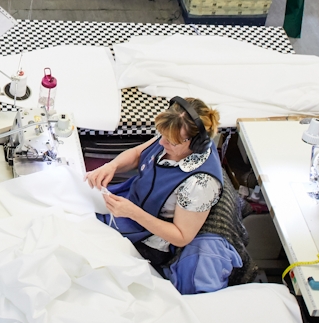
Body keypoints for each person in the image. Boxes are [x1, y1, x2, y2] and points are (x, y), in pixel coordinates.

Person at [86, 97, 252, 293]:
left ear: (196, 143)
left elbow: (181, 236)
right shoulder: (171, 136)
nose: (162, 141)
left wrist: (132, 213)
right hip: (133, 204)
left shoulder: (200, 184)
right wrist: (112, 165)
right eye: (162, 135)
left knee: (90, 256)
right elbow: (140, 153)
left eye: (171, 141)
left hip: (151, 236)